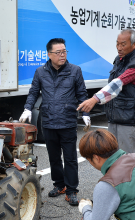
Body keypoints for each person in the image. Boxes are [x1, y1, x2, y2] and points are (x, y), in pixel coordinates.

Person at [19, 38, 90, 206]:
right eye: (58, 52)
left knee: (70, 158)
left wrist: (86, 112)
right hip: (49, 121)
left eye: (64, 51)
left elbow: (82, 94)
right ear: (49, 54)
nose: (62, 55)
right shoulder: (40, 72)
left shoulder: (75, 71)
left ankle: (72, 190)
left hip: (68, 121)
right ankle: (59, 185)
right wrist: (28, 108)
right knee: (54, 157)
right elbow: (33, 92)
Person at [77, 29, 135, 153]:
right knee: (113, 156)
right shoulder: (119, 60)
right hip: (114, 117)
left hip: (127, 119)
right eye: (117, 44)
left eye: (123, 44)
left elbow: (118, 83)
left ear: (134, 44)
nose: (119, 48)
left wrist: (94, 99)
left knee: (127, 159)